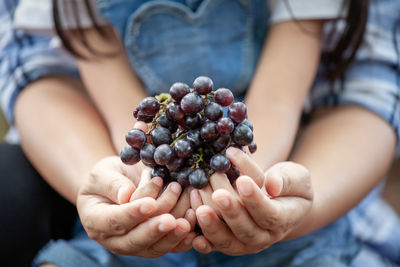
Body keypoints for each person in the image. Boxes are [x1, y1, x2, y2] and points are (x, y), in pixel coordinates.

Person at [0, 0, 399, 266]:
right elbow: (132, 122)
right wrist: (131, 191)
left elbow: (276, 105)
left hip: (295, 220)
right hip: (142, 225)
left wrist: (254, 185)